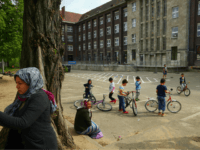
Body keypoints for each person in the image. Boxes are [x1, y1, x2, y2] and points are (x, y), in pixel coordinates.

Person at [1, 67, 58, 149]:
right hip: (28, 143)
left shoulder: (39, 97)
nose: (17, 87)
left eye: (20, 83)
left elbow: (23, 123)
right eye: (16, 83)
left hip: (41, 145)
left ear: (31, 82)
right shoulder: (24, 96)